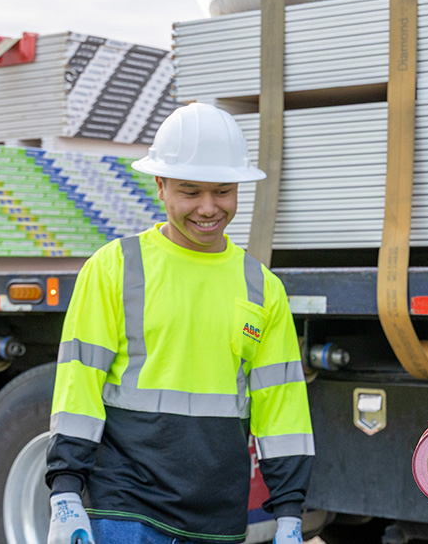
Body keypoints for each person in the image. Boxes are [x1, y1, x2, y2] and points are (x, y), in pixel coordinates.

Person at [46, 102, 314, 544]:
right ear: (161, 186)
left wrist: (288, 515)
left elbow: (282, 410)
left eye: (223, 191)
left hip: (216, 517)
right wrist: (65, 492)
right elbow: (78, 387)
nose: (209, 208)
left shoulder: (262, 288)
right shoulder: (115, 267)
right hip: (125, 509)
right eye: (190, 192)